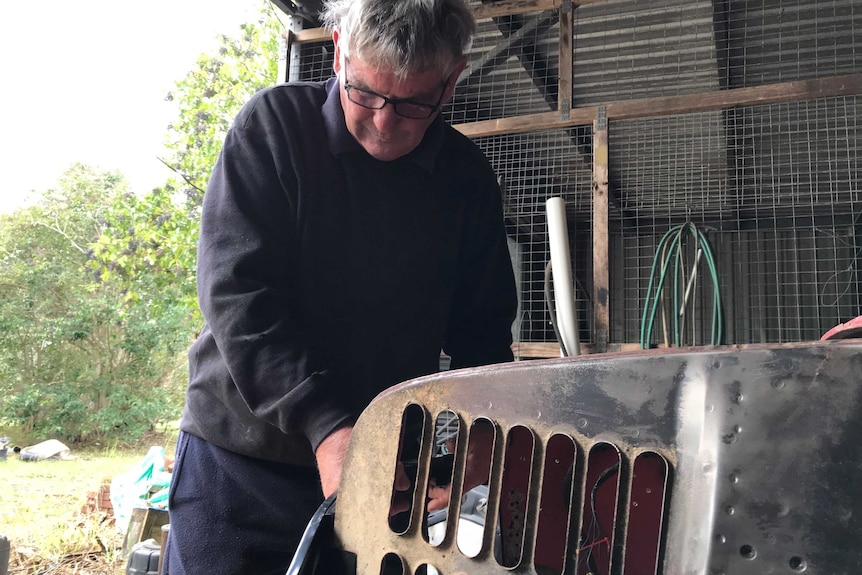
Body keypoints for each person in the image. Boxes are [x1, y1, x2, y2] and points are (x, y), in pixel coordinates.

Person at [162, 0, 517, 573]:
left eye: (411, 103)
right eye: (365, 92)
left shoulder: (466, 177)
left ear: (451, 81)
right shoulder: (272, 128)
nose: (383, 122)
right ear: (337, 52)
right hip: (242, 462)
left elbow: (482, 326)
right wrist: (325, 425)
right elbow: (239, 296)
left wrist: (485, 428)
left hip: (381, 472)